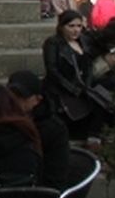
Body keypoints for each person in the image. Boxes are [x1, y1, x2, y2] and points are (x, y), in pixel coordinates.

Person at [42, 10, 108, 143]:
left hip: (82, 86)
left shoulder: (83, 41)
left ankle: (94, 138)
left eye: (79, 26)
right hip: (62, 88)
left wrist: (86, 85)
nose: (76, 30)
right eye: (71, 26)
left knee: (103, 102)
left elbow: (88, 65)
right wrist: (72, 89)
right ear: (62, 27)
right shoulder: (53, 43)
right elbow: (52, 70)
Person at [6, 69, 70, 189]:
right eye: (11, 96)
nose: (15, 101)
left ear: (37, 99)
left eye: (21, 96)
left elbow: (56, 176)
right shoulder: (0, 121)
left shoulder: (54, 129)